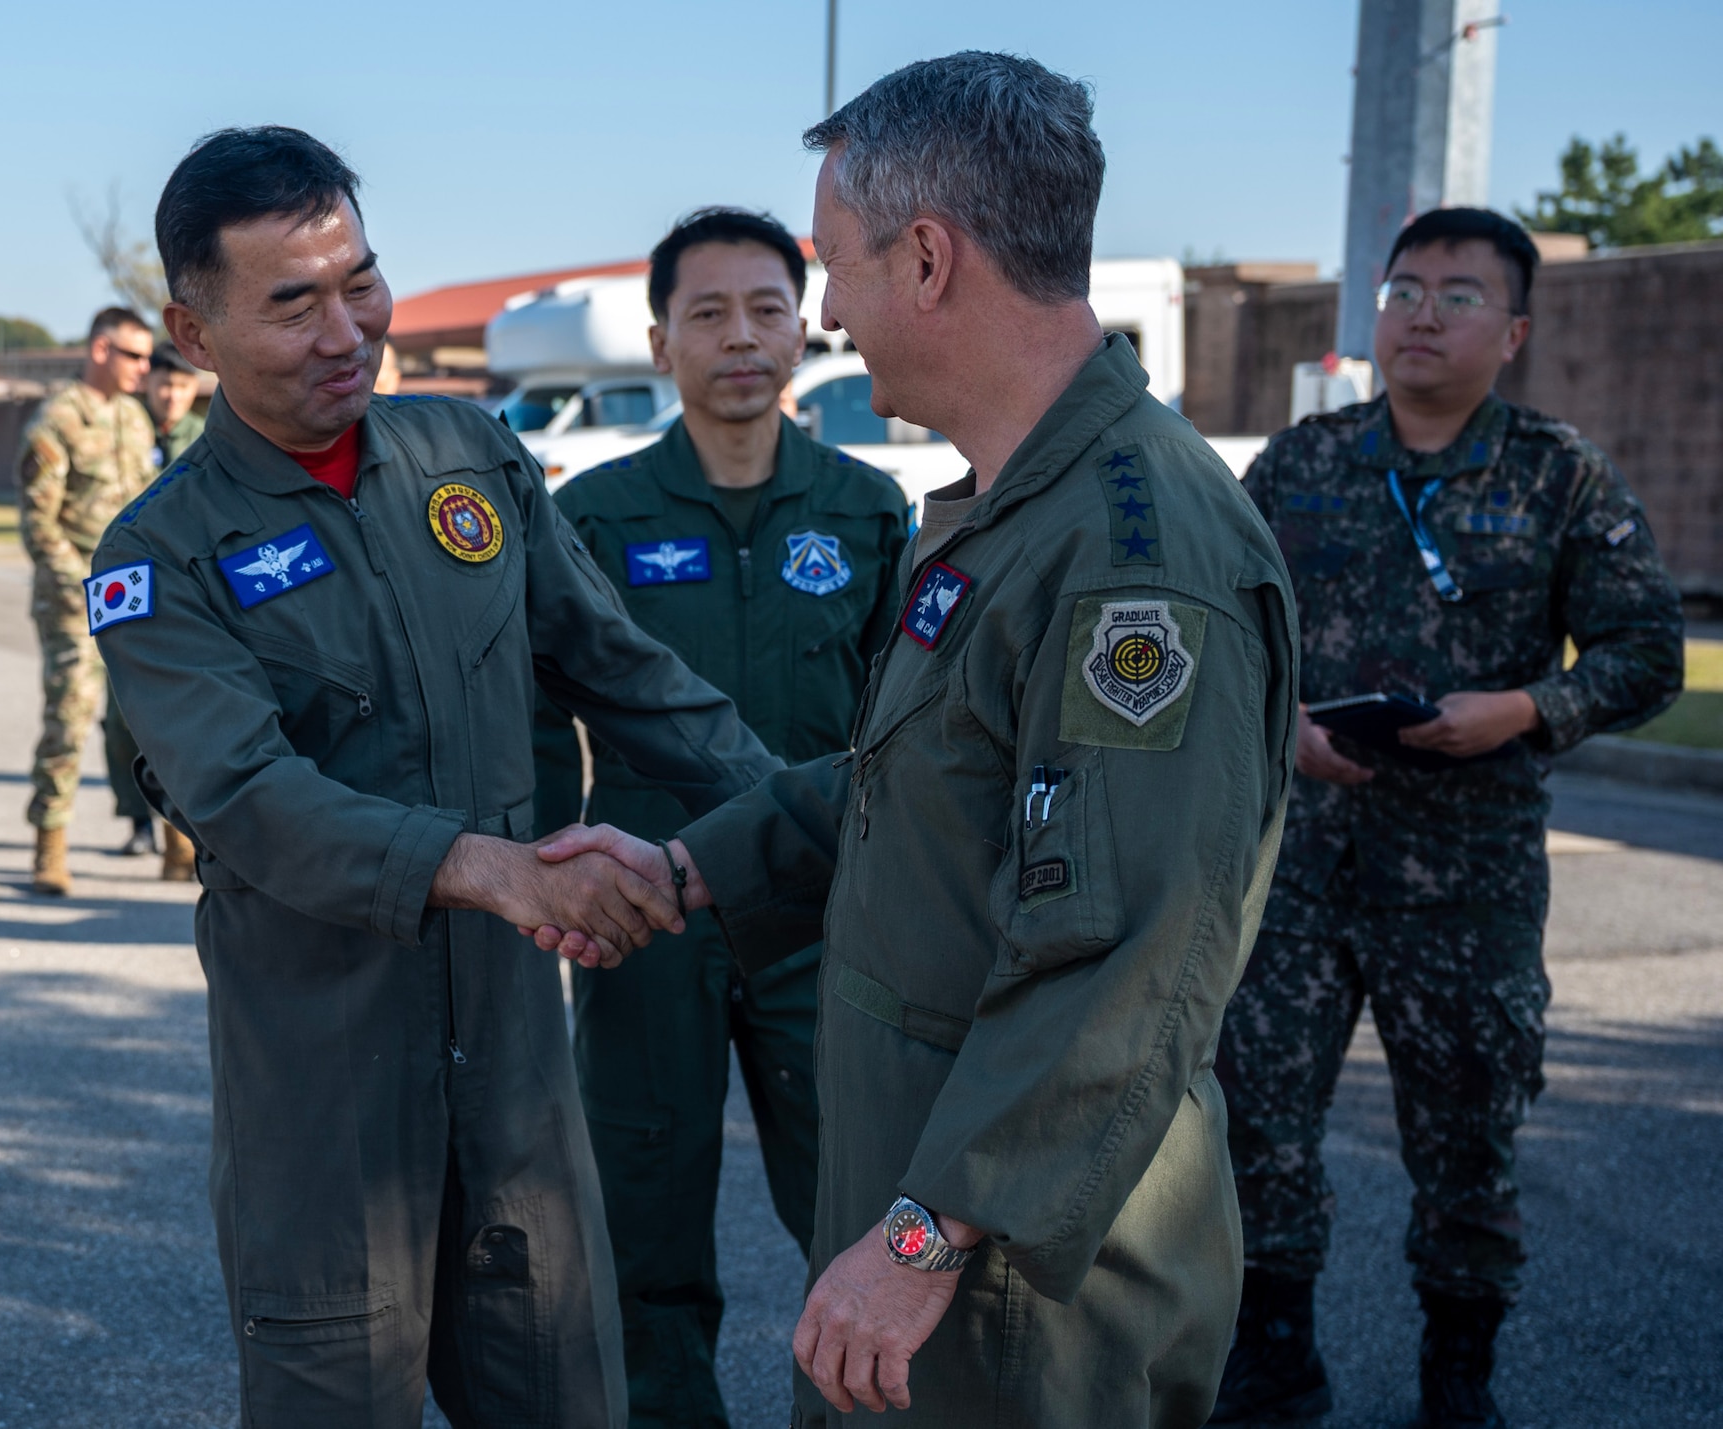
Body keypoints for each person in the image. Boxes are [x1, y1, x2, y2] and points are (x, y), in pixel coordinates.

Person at [537, 53, 1299, 1426]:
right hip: (950, 1215)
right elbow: (925, 779)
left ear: (931, 259)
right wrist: (693, 867)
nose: (823, 316)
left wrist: (922, 1236)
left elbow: (1127, 957)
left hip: (1014, 1276)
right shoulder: (1015, 506)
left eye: (834, 267)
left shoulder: (1137, 559)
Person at [89, 126, 776, 1428]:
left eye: (361, 279)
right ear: (193, 332)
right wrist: (487, 868)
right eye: (293, 302)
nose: (347, 329)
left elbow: (624, 671)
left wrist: (811, 815)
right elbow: (247, 798)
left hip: (518, 1099)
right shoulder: (160, 559)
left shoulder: (470, 457)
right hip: (328, 1115)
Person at [1208, 208, 1683, 1429]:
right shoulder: (1300, 462)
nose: (1421, 311)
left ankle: (1455, 1383)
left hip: (1463, 884)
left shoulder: (1554, 471)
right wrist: (1286, 730)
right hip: (1302, 871)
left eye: (1457, 294)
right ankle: (1275, 1362)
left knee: (1467, 1149)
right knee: (1256, 1129)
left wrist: (1526, 706)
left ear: (1512, 330)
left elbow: (1645, 653)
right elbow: (1224, 632)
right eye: (1402, 287)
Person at [532, 206, 909, 1426]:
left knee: (852, 1214)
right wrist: (536, 877)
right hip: (642, 913)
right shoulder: (593, 514)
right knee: (642, 1220)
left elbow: (905, 732)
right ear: (659, 343)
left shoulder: (866, 511)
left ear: (803, 328)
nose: (738, 337)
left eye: (764, 308)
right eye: (706, 313)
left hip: (820, 913)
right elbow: (544, 719)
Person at [16, 306, 158, 893]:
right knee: (70, 719)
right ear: (100, 350)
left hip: (131, 595)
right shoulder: (56, 422)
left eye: (148, 358)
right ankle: (50, 844)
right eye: (134, 356)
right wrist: (82, 586)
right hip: (76, 599)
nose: (144, 369)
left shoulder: (134, 418)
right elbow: (38, 525)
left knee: (150, 718)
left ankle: (176, 839)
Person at [106, 341, 209, 874]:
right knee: (120, 716)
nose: (170, 395)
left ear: (194, 390)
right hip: (125, 588)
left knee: (182, 714)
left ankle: (182, 834)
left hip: (183, 592)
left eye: (181, 386)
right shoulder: (124, 432)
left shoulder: (209, 440)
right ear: (148, 385)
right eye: (162, 385)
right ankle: (138, 822)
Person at [142, 340, 206, 467]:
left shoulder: (204, 439)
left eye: (183, 386)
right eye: (165, 384)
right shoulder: (126, 426)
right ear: (147, 381)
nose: (174, 396)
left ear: (195, 386)